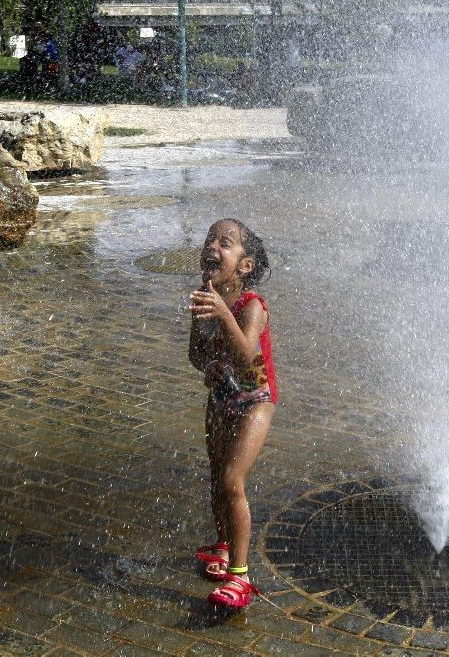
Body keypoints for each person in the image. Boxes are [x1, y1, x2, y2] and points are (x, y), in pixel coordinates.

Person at [188, 219, 276, 610]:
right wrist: (205, 361)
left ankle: (240, 578)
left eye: (226, 242)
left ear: (244, 265)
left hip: (255, 399)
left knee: (231, 479)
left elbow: (246, 358)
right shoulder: (206, 299)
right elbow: (195, 354)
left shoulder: (250, 305)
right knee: (216, 477)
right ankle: (223, 547)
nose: (213, 245)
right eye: (210, 239)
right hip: (222, 397)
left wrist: (224, 314)